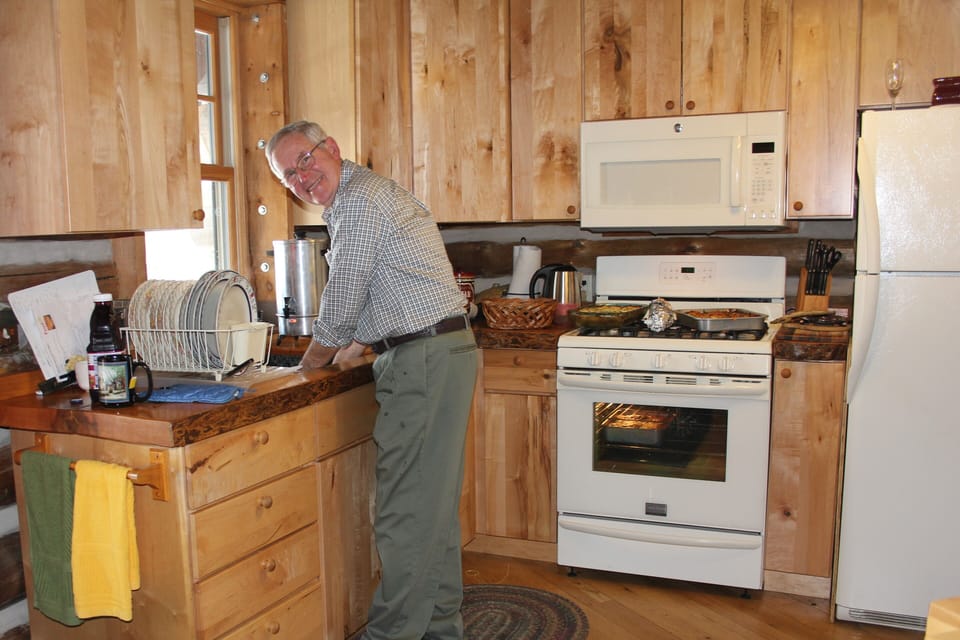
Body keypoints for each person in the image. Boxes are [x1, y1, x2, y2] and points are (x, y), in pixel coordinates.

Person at [265, 121, 478, 640]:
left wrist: (308, 367)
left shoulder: (359, 201)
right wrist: (354, 349)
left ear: (331, 149)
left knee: (406, 514)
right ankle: (441, 630)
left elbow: (341, 306)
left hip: (424, 359)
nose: (302, 177)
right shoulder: (360, 199)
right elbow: (374, 302)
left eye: (306, 161)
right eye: (289, 175)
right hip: (439, 352)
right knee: (431, 511)